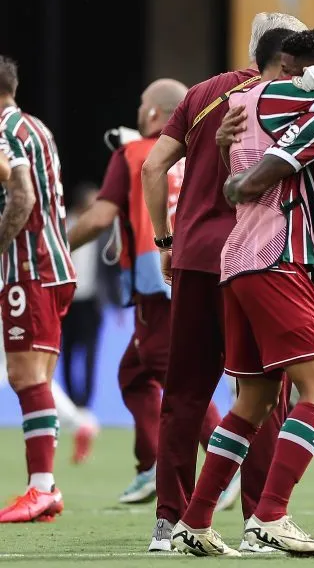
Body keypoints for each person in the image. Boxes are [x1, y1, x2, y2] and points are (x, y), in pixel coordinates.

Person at [168, 28, 314, 558]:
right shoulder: (303, 101)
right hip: (279, 259)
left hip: (237, 259)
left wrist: (229, 163)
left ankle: (194, 521)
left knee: (253, 402)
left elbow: (231, 174)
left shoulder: (236, 104)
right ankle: (270, 515)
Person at [140, 12, 308, 553]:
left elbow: (152, 168)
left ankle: (168, 521)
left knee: (184, 393)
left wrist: (165, 240)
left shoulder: (200, 95)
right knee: (262, 393)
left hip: (193, 256)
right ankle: (261, 520)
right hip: (255, 259)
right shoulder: (290, 98)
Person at [67, 78, 191, 506]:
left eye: (142, 103)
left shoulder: (133, 154)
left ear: (153, 112)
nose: (139, 109)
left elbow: (99, 218)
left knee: (177, 380)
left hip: (155, 279)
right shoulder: (198, 154)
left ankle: (225, 462)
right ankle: (151, 466)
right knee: (134, 374)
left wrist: (54, 247)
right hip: (199, 274)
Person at [0, 55, 79, 523]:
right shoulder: (36, 127)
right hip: (56, 264)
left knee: (25, 376)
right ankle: (46, 488)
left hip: (28, 267)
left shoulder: (3, 131)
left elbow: (24, 195)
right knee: (37, 378)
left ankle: (41, 488)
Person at [61, 185, 103, 411]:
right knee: (67, 351)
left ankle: (85, 403)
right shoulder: (63, 226)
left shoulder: (100, 230)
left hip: (92, 301)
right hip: (67, 300)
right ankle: (71, 400)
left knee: (90, 352)